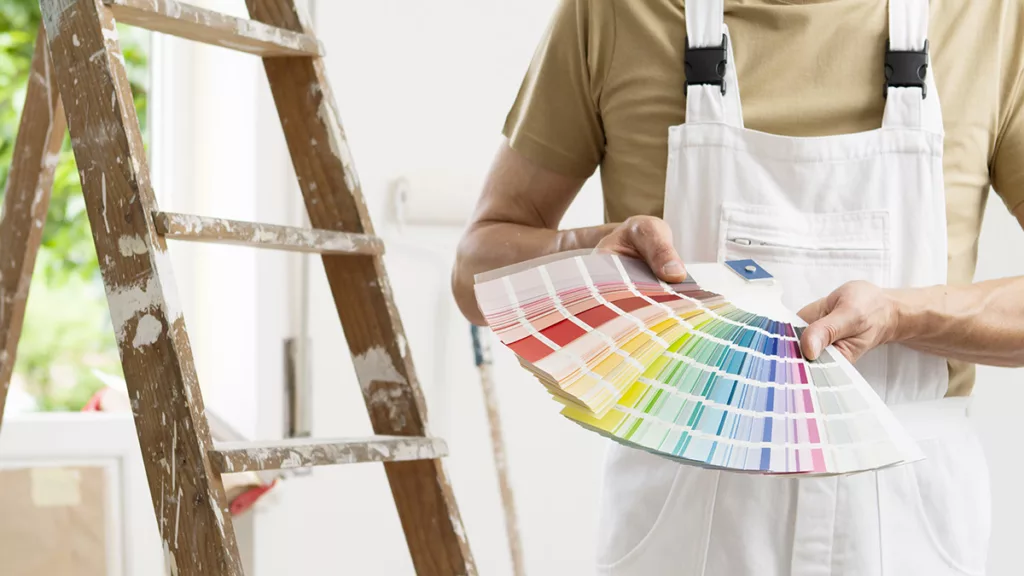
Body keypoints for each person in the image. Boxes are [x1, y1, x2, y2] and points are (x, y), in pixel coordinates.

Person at [451, 0, 1024, 574]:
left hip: (905, 520)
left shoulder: (986, 17)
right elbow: (475, 271)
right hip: (681, 509)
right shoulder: (613, 13)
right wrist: (591, 253)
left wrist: (902, 316)